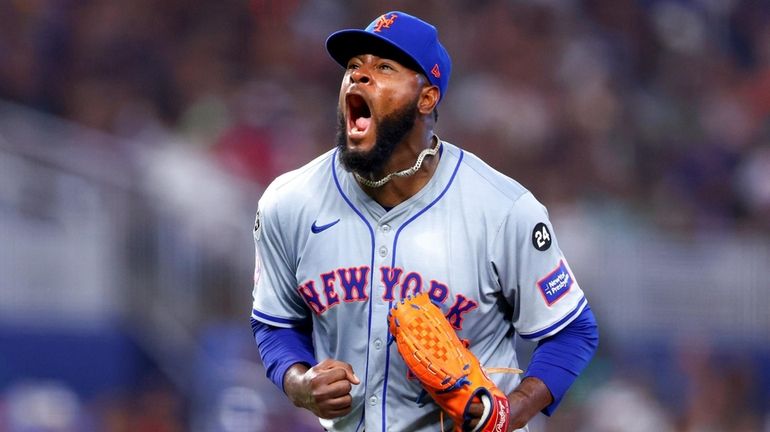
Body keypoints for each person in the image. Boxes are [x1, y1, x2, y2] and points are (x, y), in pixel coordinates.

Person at [250, 11, 598, 432]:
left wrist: (510, 410)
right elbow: (275, 322)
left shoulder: (503, 210)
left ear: (427, 97)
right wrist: (298, 382)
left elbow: (573, 331)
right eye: (354, 67)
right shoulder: (290, 202)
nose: (359, 77)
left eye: (383, 67)